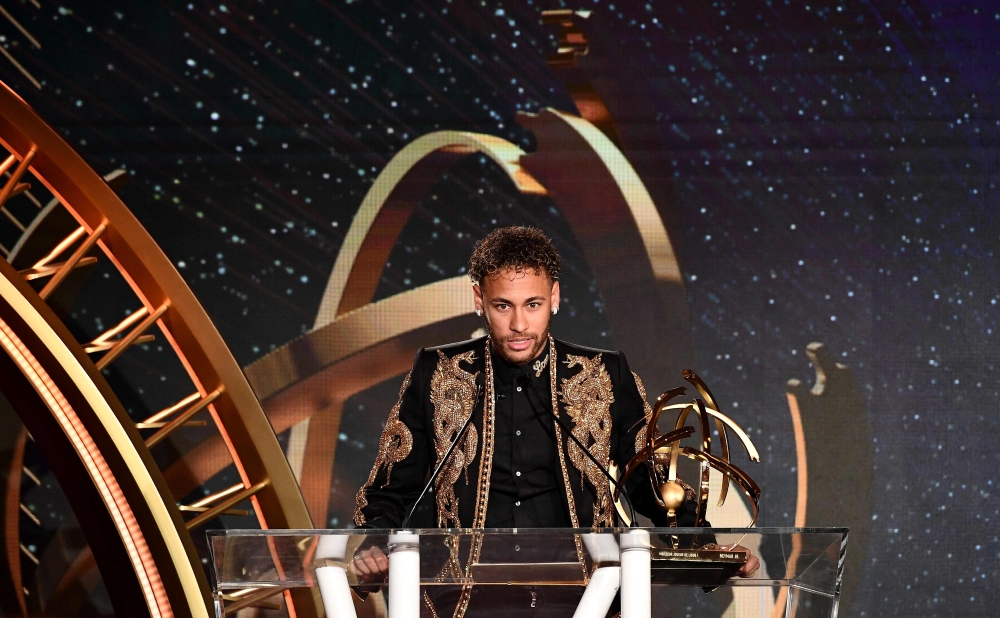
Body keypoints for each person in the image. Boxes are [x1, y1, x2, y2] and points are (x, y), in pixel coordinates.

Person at [350, 226, 759, 614]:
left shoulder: (603, 373)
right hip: (463, 600)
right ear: (479, 300)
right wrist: (372, 546)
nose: (519, 325)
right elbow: (390, 488)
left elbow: (646, 480)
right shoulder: (438, 371)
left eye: (533, 304)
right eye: (502, 306)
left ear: (555, 296)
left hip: (584, 597)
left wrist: (706, 549)